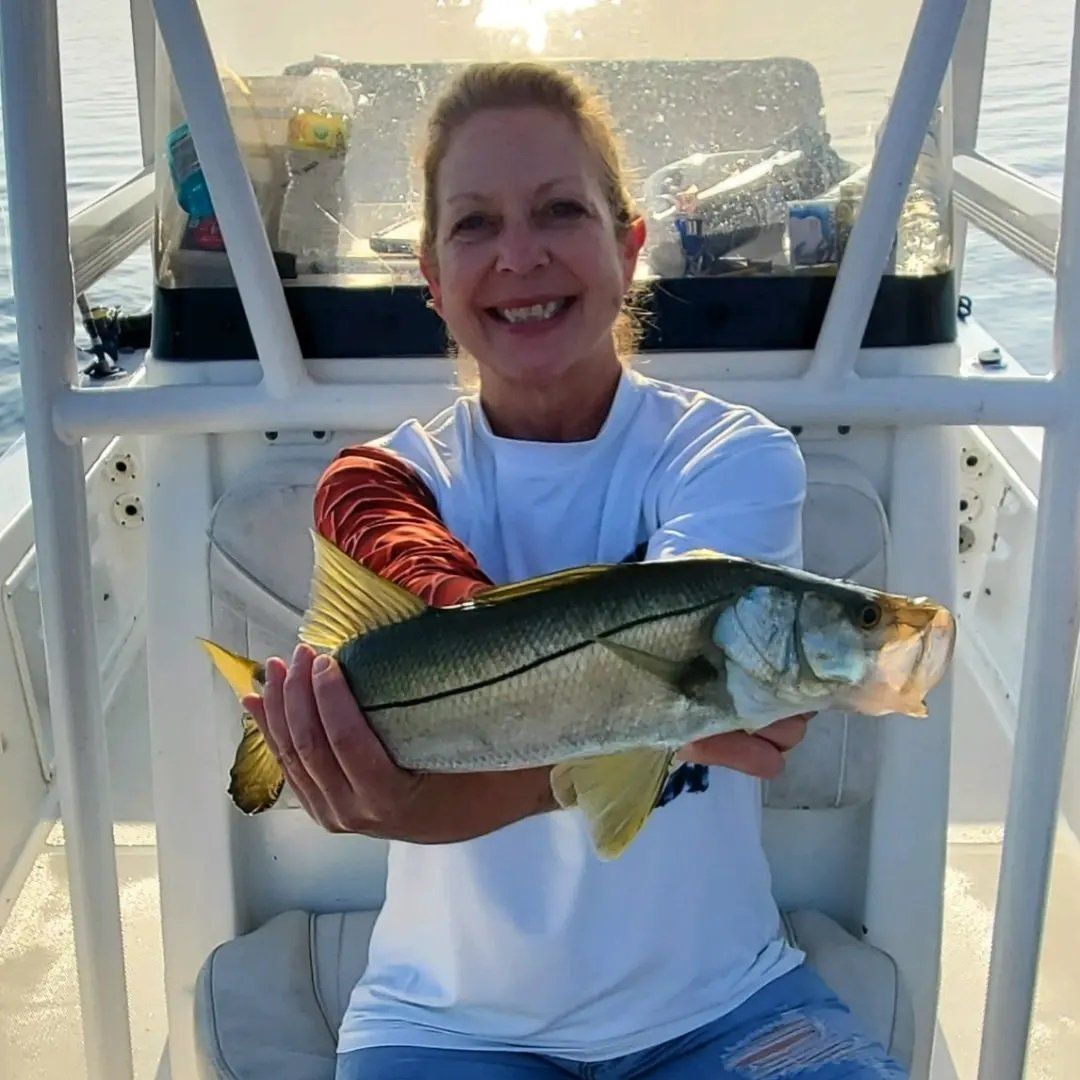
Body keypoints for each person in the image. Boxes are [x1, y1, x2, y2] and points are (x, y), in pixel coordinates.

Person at [243, 61, 907, 1079]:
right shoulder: (375, 486)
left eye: (560, 209)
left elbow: (702, 659)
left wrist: (425, 795)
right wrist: (384, 787)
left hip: (726, 1004)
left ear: (629, 245)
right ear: (428, 272)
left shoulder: (733, 456)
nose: (521, 254)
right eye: (474, 225)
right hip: (441, 1024)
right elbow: (653, 685)